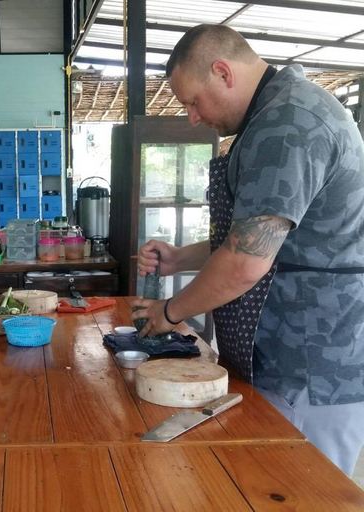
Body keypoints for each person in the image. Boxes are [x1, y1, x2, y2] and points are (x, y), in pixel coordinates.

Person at [131, 24, 364, 476]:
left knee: (302, 492)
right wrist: (181, 258)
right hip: (278, 356)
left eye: (192, 101)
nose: (192, 118)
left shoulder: (288, 124)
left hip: (311, 363)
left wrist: (171, 312)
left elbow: (244, 263)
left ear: (222, 72)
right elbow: (251, 239)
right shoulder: (275, 113)